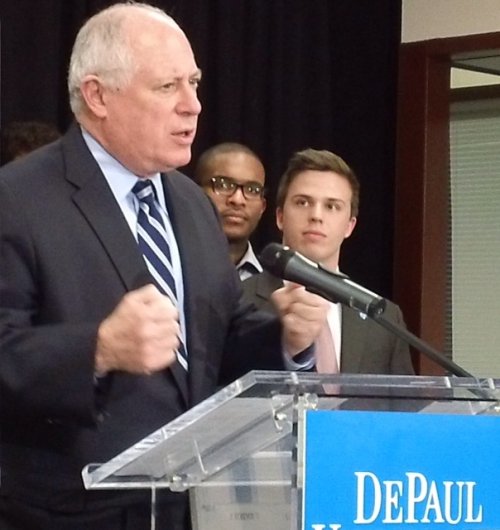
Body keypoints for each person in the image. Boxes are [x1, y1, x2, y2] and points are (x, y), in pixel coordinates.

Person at [0, 4, 329, 530]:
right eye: (166, 87)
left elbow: (215, 343)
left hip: (188, 509)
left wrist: (284, 338)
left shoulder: (192, 204)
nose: (192, 106)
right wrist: (98, 349)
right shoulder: (18, 198)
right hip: (66, 514)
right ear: (98, 96)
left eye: (193, 83)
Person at [242, 148, 415, 375]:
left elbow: (402, 397)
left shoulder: (384, 318)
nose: (316, 215)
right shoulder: (239, 301)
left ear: (350, 226)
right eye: (303, 202)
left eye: (332, 206)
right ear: (280, 217)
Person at [194, 142, 266, 280]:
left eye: (252, 189)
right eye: (223, 185)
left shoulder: (275, 285)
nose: (238, 200)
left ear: (262, 207)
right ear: (195, 192)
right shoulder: (169, 268)